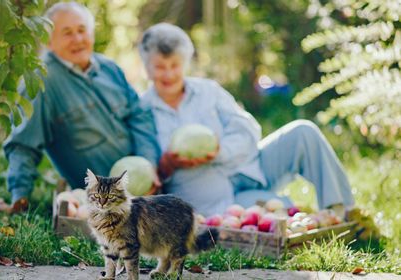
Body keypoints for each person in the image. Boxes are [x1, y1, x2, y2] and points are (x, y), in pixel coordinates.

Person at [138, 23, 354, 218]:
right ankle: (277, 207)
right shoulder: (142, 110)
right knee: (273, 214)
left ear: (185, 64)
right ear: (147, 68)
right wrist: (166, 165)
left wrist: (219, 151)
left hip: (250, 166)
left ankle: (342, 212)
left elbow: (248, 129)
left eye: (174, 65)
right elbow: (148, 171)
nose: (168, 74)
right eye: (159, 67)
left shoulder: (208, 91)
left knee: (304, 133)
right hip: (211, 196)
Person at [0, 2, 161, 213]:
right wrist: (20, 197)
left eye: (82, 30)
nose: (78, 39)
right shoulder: (42, 81)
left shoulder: (109, 69)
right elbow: (23, 144)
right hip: (104, 201)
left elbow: (140, 117)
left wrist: (148, 166)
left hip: (145, 187)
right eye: (67, 33)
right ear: (49, 41)